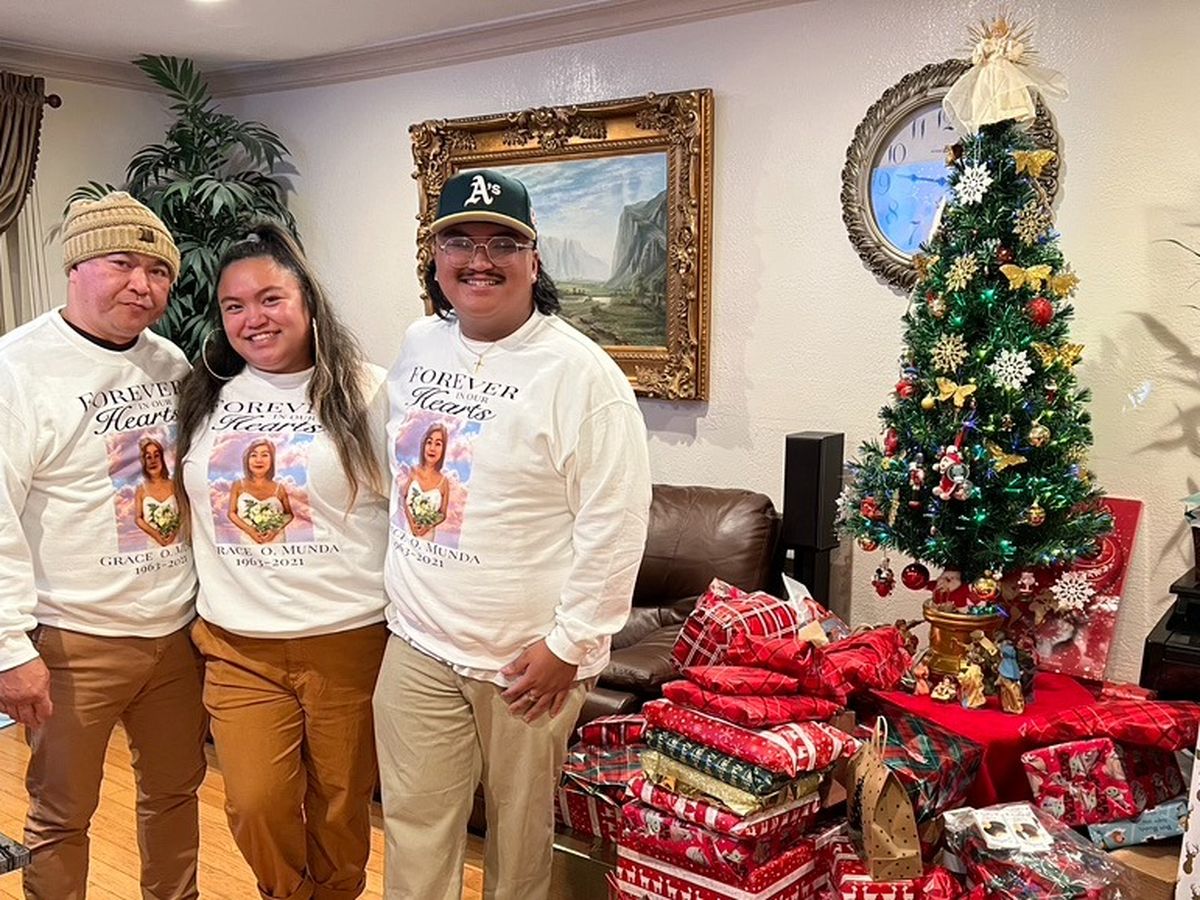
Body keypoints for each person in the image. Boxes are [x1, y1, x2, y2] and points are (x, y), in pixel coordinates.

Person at [375, 169, 652, 899]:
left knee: (519, 854)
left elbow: (617, 521)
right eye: (459, 242)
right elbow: (395, 470)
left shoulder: (581, 375)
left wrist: (569, 646)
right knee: (413, 835)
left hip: (526, 666)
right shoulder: (418, 344)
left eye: (502, 243)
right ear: (435, 258)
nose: (480, 260)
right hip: (418, 644)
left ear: (533, 260)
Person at [0, 192, 207, 899]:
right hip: (72, 639)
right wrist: (10, 649)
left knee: (175, 796)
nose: (142, 285)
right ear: (76, 265)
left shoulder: (169, 362)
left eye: (158, 271)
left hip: (174, 632)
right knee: (61, 815)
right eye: (122, 263)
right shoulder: (18, 368)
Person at [175, 222, 389, 900]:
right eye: (234, 306)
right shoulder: (203, 396)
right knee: (254, 804)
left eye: (270, 299)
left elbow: (418, 516)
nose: (253, 319)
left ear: (307, 301)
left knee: (340, 807)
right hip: (238, 646)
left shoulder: (372, 393)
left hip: (349, 642)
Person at [228, 438, 294, 544]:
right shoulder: (238, 485)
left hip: (276, 541)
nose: (259, 460)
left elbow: (289, 515)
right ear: (247, 460)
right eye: (254, 455)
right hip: (248, 541)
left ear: (272, 460)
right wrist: (250, 530)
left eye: (265, 455)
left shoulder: (279, 488)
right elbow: (231, 513)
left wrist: (275, 530)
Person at [401, 423, 449, 540]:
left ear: (443, 450)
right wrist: (411, 524)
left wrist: (427, 526)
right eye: (429, 442)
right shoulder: (413, 471)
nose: (432, 448)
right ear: (424, 445)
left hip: (427, 536)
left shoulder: (444, 482)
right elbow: (404, 498)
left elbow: (442, 514)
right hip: (408, 530)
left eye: (438, 444)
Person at [134, 437, 181, 547]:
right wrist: (156, 535)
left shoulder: (174, 485)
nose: (153, 461)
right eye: (148, 457)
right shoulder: (140, 489)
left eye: (156, 455)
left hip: (176, 544)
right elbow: (138, 518)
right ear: (144, 462)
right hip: (153, 546)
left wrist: (173, 534)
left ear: (162, 459)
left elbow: (183, 512)